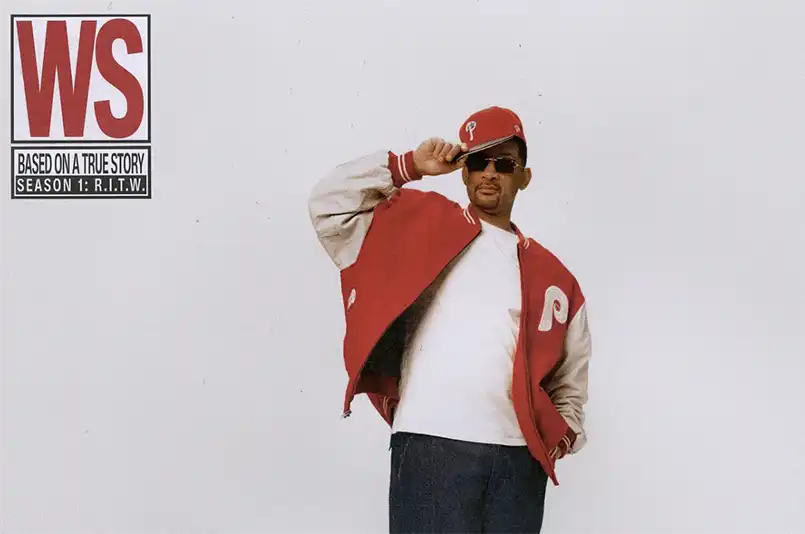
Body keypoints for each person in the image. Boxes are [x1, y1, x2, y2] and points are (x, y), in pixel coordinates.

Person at [308, 106, 593, 533]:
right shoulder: (419, 221)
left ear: (524, 177)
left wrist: (560, 438)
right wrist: (409, 166)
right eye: (478, 161)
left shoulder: (554, 276)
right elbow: (328, 205)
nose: (490, 173)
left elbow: (571, 377)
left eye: (505, 164)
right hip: (430, 446)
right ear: (464, 171)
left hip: (518, 463)